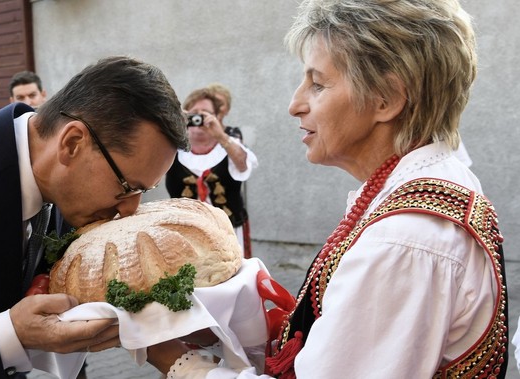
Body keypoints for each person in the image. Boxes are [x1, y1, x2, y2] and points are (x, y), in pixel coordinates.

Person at [146, 0, 509, 377]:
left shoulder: (403, 239)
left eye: (317, 84)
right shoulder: (425, 190)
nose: (294, 105)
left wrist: (175, 358)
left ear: (387, 99)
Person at [0, 56, 189, 378]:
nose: (130, 209)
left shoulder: (62, 191)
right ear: (72, 143)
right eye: (127, 187)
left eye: (145, 191)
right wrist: (9, 335)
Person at [165, 88, 258, 257]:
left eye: (205, 113)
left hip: (229, 232)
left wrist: (221, 136)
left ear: (217, 117)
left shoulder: (230, 143)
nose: (198, 119)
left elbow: (243, 165)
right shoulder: (171, 147)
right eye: (193, 114)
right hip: (186, 234)